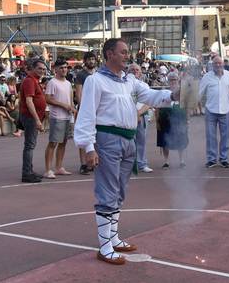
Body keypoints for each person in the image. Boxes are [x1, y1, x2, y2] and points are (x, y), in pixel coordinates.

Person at [74, 38, 176, 265]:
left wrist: (173, 95)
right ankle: (105, 246)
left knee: (119, 190)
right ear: (110, 54)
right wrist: (89, 147)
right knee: (107, 190)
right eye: (123, 52)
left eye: (127, 52)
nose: (127, 55)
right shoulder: (95, 80)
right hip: (108, 140)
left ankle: (113, 238)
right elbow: (87, 114)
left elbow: (150, 95)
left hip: (128, 140)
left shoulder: (129, 81)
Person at [198, 55, 229, 168]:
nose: (218, 65)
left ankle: (224, 158)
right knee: (210, 136)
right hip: (210, 110)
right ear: (212, 65)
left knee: (225, 136)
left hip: (225, 110)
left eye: (219, 63)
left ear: (223, 64)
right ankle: (212, 159)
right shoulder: (207, 77)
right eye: (215, 63)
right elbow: (199, 92)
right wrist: (189, 103)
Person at [43, 59, 75, 178]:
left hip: (67, 117)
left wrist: (72, 109)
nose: (64, 70)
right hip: (57, 117)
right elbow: (48, 99)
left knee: (63, 143)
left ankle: (59, 167)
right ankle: (48, 169)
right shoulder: (52, 82)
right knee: (53, 143)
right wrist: (64, 105)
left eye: (65, 67)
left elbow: (71, 100)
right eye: (61, 68)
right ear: (55, 69)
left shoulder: (68, 83)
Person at [19, 58, 48, 183]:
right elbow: (29, 101)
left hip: (33, 116)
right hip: (30, 117)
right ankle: (27, 173)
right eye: (39, 68)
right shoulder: (30, 81)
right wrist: (37, 120)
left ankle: (29, 171)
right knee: (30, 145)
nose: (42, 71)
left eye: (44, 69)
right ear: (33, 68)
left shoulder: (34, 81)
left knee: (31, 145)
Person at [157, 71, 188, 169]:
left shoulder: (182, 92)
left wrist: (188, 119)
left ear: (178, 80)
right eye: (171, 80)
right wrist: (157, 120)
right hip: (164, 119)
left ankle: (181, 160)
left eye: (174, 79)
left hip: (179, 118)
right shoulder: (163, 91)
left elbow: (186, 107)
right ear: (168, 81)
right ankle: (166, 161)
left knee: (181, 139)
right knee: (164, 140)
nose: (173, 81)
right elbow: (157, 106)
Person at [74, 51, 98, 175]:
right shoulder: (81, 75)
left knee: (95, 136)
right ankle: (83, 163)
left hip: (97, 110)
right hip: (85, 109)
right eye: (89, 59)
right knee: (84, 136)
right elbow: (78, 93)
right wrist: (84, 108)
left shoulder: (98, 74)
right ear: (85, 61)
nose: (91, 62)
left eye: (93, 59)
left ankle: (94, 160)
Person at [128, 64, 153, 173]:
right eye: (132, 70)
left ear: (140, 72)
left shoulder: (144, 85)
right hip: (128, 117)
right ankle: (129, 164)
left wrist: (138, 113)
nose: (134, 71)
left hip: (142, 115)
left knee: (141, 141)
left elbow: (149, 102)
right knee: (129, 141)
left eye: (136, 69)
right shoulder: (125, 85)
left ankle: (142, 163)